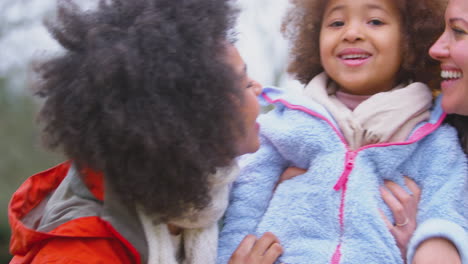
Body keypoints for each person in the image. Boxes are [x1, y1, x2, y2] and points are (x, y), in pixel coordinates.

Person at [8, 0, 283, 263]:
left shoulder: (209, 195)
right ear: (195, 118)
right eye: (244, 82)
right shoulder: (77, 255)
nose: (258, 88)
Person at [217, 0, 468, 263]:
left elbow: (447, 212)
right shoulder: (285, 124)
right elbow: (244, 207)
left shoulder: (432, 137)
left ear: (410, 40)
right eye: (337, 23)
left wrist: (435, 246)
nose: (351, 33)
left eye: (375, 21)